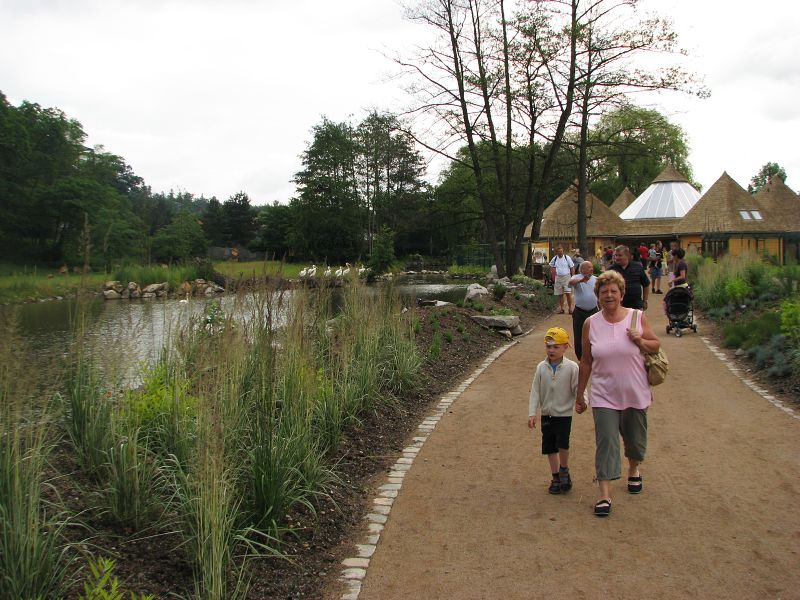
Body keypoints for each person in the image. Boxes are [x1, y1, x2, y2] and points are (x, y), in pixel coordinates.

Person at [574, 271, 661, 517]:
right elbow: (586, 361)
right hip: (604, 394)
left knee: (634, 440)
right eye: (604, 292)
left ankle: (634, 469)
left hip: (635, 391)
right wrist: (580, 395)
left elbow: (656, 344)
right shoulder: (591, 323)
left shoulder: (637, 318)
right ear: (598, 297)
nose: (609, 295)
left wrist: (641, 341)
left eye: (613, 291)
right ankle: (604, 494)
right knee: (606, 442)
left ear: (622, 294)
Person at [528, 327, 579, 495]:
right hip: (547, 414)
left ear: (566, 347)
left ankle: (564, 469)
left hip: (564, 414)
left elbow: (578, 387)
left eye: (555, 347)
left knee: (562, 444)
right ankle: (555, 476)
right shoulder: (541, 367)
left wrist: (581, 400)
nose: (551, 350)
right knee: (550, 446)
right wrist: (532, 412)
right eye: (548, 346)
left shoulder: (572, 367)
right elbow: (535, 390)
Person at [568, 261, 598, 360]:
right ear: (582, 269)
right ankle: (580, 358)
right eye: (589, 267)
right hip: (580, 312)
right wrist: (581, 280)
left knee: (594, 335)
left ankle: (594, 356)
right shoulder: (576, 277)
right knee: (579, 336)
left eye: (592, 267)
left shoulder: (596, 279)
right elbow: (570, 283)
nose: (591, 269)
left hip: (593, 311)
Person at [609, 245, 650, 310]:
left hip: (636, 306)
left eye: (620, 255)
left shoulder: (637, 267)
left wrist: (645, 300)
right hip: (618, 307)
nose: (617, 258)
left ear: (627, 256)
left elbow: (646, 284)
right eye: (616, 255)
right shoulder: (611, 270)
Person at [549, 245, 575, 314]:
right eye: (559, 252)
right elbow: (551, 266)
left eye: (561, 251)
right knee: (560, 294)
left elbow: (572, 267)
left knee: (568, 293)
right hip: (558, 277)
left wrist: (573, 276)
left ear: (563, 251)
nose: (560, 253)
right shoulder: (554, 259)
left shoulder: (567, 258)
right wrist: (553, 274)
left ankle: (570, 308)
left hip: (567, 277)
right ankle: (562, 308)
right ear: (556, 252)